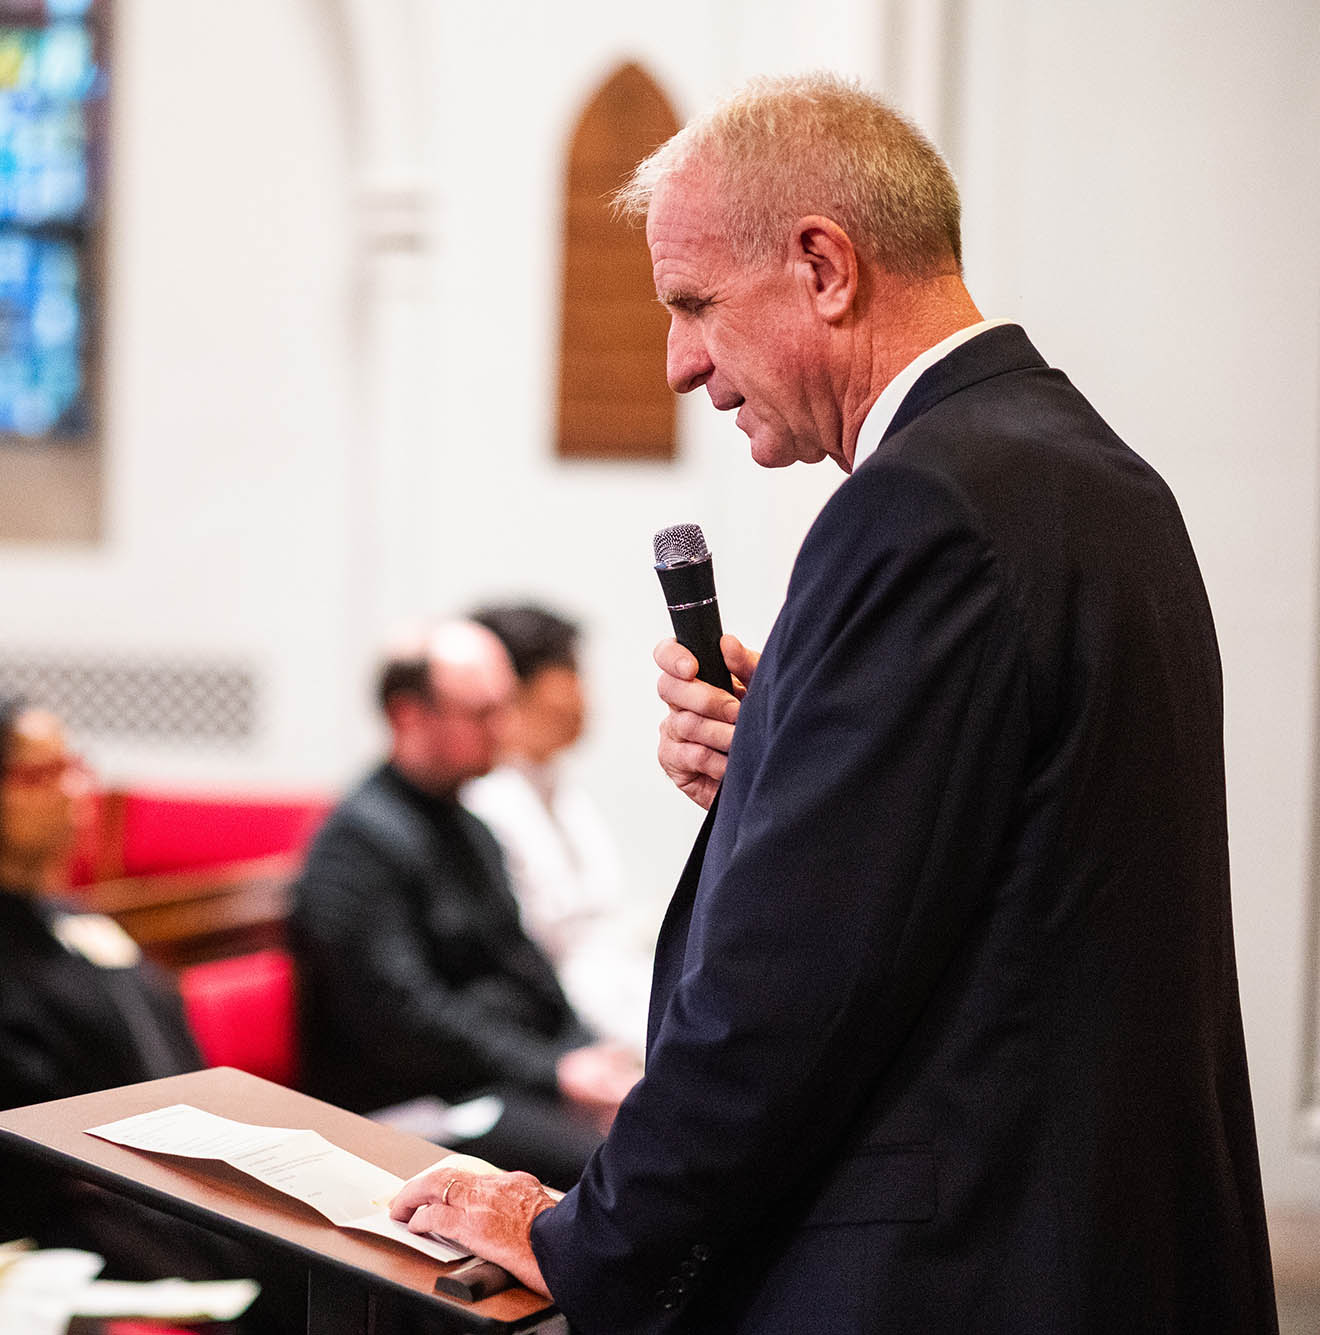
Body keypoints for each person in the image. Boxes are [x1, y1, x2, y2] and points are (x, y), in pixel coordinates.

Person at [392, 73, 1276, 1332]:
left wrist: (582, 1238)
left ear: (822, 266)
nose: (679, 363)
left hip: (952, 1274)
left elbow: (789, 985)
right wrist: (775, 764)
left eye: (694, 303)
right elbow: (1011, 862)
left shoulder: (918, 507)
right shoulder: (1091, 475)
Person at [289, 620, 640, 1190]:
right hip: (413, 1107)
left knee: (655, 1133)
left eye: (503, 708)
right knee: (615, 1173)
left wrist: (581, 1055)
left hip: (494, 1083)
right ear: (408, 715)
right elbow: (402, 1018)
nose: (502, 729)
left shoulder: (470, 826)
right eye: (481, 714)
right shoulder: (357, 843)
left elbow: (524, 964)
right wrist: (552, 1072)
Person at [0, 699, 210, 1266]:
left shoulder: (68, 917)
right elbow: (21, 1131)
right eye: (41, 774)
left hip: (167, 1181)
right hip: (72, 1219)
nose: (73, 789)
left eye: (73, 766)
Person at [464, 601, 657, 1048]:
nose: (583, 695)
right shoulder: (485, 805)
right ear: (514, 690)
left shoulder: (561, 791)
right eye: (570, 673)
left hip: (618, 1008)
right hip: (563, 1035)